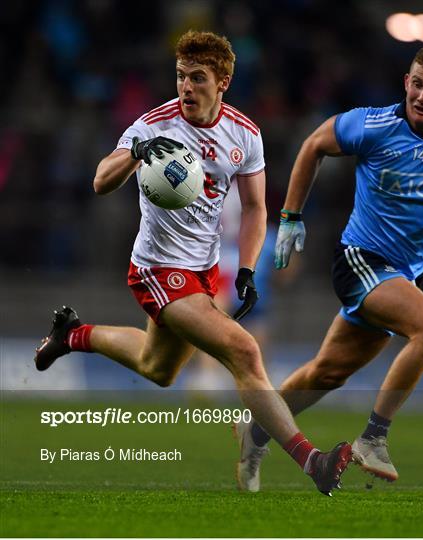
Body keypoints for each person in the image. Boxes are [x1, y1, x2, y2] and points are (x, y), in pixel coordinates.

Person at [34, 30, 351, 496]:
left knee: (157, 367)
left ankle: (73, 334)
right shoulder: (153, 125)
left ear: (222, 81)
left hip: (202, 271)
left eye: (197, 78)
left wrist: (246, 268)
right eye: (181, 76)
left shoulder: (245, 134)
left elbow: (257, 208)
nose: (185, 86)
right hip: (157, 269)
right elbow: (101, 181)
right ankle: (313, 462)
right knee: (244, 351)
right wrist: (135, 154)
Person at [236, 43, 423, 490]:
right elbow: (314, 145)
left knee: (328, 373)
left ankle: (256, 431)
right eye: (416, 84)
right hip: (359, 260)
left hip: (400, 276)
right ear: (406, 82)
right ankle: (373, 437)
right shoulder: (375, 124)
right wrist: (289, 217)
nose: (422, 95)